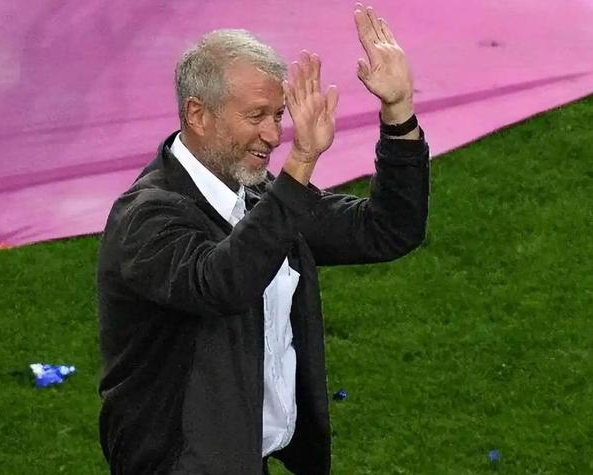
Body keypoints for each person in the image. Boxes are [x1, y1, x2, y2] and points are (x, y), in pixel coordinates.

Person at [97, 3, 429, 474]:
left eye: (278, 115)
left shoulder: (258, 197)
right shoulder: (146, 217)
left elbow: (387, 229)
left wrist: (399, 112)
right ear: (198, 114)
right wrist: (301, 163)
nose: (273, 135)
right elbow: (222, 283)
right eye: (256, 116)